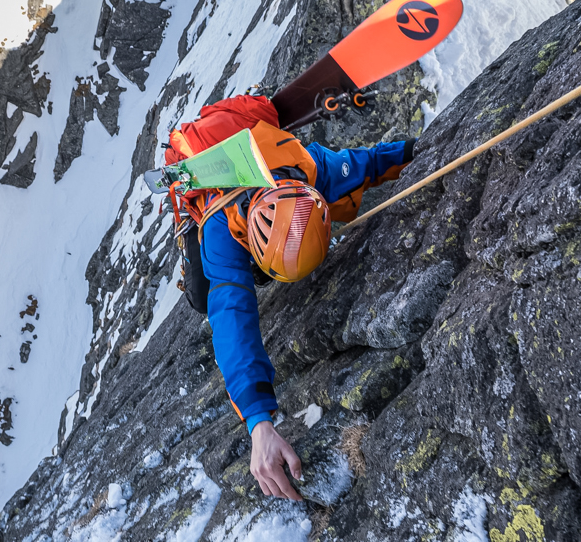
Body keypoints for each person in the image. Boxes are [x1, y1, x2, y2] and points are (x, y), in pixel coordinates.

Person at [167, 93, 414, 501]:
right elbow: (231, 317)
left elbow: (367, 162)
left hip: (264, 151)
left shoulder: (312, 170)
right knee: (201, 295)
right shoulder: (220, 232)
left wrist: (412, 151)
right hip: (213, 183)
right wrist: (258, 422)